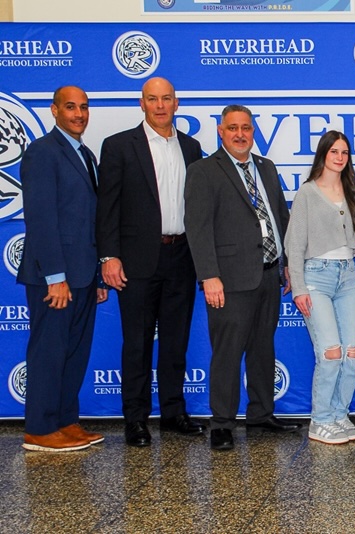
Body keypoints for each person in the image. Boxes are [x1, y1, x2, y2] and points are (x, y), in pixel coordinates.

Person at [96, 77, 205, 448]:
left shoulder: (192, 148)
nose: (160, 105)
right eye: (152, 99)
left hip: (182, 257)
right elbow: (106, 207)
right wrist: (108, 256)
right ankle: (136, 419)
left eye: (166, 99)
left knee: (176, 342)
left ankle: (174, 413)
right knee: (137, 343)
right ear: (142, 103)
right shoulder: (118, 146)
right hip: (138, 260)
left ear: (177, 103)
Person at [184, 105, 300, 451]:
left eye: (245, 128)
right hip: (229, 279)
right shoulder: (204, 171)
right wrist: (209, 276)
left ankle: (261, 414)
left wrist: (288, 263)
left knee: (263, 348)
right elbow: (198, 227)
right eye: (232, 128)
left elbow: (280, 216)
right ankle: (222, 422)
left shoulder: (265, 167)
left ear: (253, 131)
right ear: (221, 131)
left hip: (268, 274)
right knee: (228, 352)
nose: (239, 134)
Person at [18, 86, 109, 452]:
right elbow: (41, 219)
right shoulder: (42, 153)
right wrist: (55, 277)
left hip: (84, 274)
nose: (79, 114)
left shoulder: (86, 154)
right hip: (54, 277)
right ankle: (39, 429)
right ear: (54, 110)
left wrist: (98, 273)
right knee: (49, 351)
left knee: (73, 352)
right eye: (70, 107)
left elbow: (90, 219)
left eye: (84, 107)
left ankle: (65, 422)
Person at [284, 131, 355, 446]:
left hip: (347, 275)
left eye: (345, 152)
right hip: (316, 276)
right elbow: (294, 245)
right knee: (330, 352)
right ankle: (320, 420)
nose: (340, 157)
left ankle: (338, 414)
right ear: (323, 154)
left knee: (351, 353)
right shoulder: (307, 192)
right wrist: (299, 287)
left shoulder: (349, 191)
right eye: (334, 151)